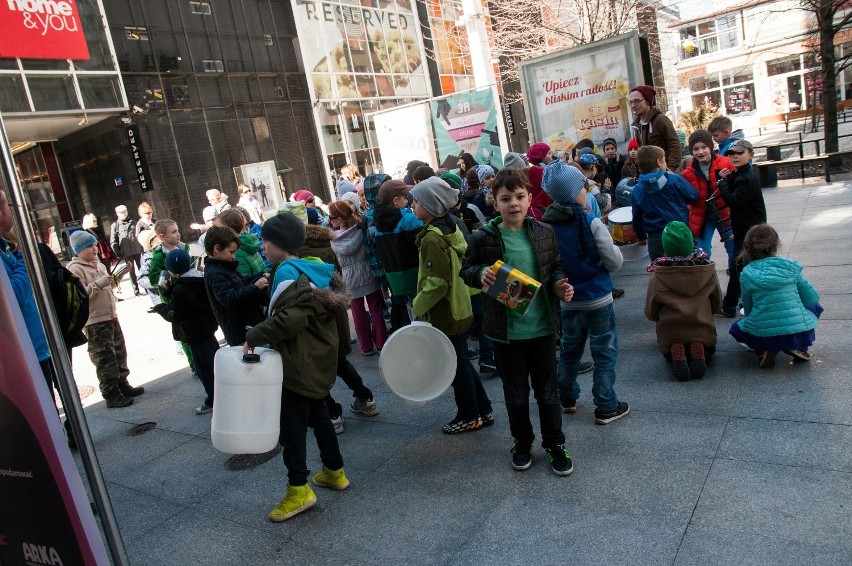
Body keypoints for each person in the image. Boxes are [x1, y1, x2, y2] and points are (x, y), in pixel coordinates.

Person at [461, 168, 575, 475]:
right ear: (494, 203)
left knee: (548, 393)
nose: (514, 203)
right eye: (506, 198)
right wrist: (479, 274)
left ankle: (554, 443)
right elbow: (467, 269)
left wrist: (560, 286)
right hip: (506, 333)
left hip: (542, 328)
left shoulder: (543, 232)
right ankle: (522, 442)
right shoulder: (483, 236)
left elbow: (555, 270)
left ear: (529, 199)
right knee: (516, 395)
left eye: (520, 197)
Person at [244, 212, 351, 522]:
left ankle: (298, 489)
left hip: (298, 363)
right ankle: (334, 471)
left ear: (280, 243)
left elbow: (292, 319)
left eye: (266, 240)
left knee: (292, 431)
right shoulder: (310, 267)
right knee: (319, 416)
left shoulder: (288, 272)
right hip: (315, 359)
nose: (263, 245)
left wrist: (254, 334)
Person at [541, 161, 629, 424]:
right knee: (604, 353)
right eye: (582, 186)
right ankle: (606, 405)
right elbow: (614, 260)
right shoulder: (590, 221)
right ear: (574, 191)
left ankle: (566, 397)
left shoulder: (546, 227)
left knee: (569, 351)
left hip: (568, 302)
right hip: (599, 299)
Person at [409, 176, 493, 434]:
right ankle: (483, 409)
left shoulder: (432, 239)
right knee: (461, 361)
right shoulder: (448, 228)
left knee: (455, 366)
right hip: (460, 306)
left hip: (446, 310)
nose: (412, 206)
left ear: (431, 206)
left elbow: (437, 282)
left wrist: (417, 305)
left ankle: (469, 415)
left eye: (417, 202)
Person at [297, 215, 379, 434]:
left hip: (317, 318)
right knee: (340, 361)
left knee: (317, 369)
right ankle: (365, 397)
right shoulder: (327, 246)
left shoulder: (299, 256)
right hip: (336, 312)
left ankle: (333, 414)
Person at [67, 230, 144, 408]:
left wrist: (121, 274)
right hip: (95, 321)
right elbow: (80, 295)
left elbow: (110, 285)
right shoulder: (75, 269)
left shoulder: (99, 265)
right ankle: (111, 393)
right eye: (89, 246)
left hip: (111, 316)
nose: (94, 249)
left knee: (119, 353)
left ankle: (123, 385)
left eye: (94, 245)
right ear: (79, 250)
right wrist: (99, 283)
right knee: (104, 359)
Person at [729, 224, 821, 368]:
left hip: (764, 332)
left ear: (747, 248)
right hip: (797, 330)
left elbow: (748, 307)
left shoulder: (747, 273)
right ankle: (798, 346)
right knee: (816, 307)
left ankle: (763, 349)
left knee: (736, 328)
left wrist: (746, 315)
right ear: (775, 245)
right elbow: (812, 298)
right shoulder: (790, 267)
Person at [645, 221, 722, 381]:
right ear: (690, 243)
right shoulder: (707, 269)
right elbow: (717, 303)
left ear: (665, 247)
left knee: (671, 348)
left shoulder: (658, 274)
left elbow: (651, 312)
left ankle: (676, 348)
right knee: (706, 346)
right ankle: (699, 347)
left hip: (670, 333)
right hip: (703, 330)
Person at [154, 249, 219, 414]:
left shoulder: (180, 289)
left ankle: (213, 399)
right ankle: (223, 393)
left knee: (204, 369)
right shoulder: (199, 278)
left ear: (171, 271)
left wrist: (160, 307)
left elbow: (175, 313)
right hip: (207, 328)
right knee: (216, 363)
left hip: (194, 333)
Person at [328, 200, 387, 356]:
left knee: (357, 312)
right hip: (367, 271)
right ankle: (381, 342)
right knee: (376, 308)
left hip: (349, 277)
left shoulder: (334, 240)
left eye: (331, 217)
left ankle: (366, 347)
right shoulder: (362, 229)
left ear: (339, 219)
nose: (330, 220)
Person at [717, 139, 767, 317]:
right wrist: (726, 178)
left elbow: (734, 200)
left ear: (750, 155)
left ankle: (733, 305)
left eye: (739, 153)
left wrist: (722, 183)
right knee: (742, 267)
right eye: (731, 154)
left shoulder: (747, 176)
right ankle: (733, 304)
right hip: (746, 228)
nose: (735, 157)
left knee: (740, 267)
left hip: (750, 230)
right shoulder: (743, 172)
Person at [631, 145, 699, 262]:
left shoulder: (637, 189)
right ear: (659, 162)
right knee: (689, 266)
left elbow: (636, 216)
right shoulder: (673, 180)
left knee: (661, 271)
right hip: (680, 232)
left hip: (655, 237)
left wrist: (640, 235)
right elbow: (693, 196)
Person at [204, 226, 268, 347]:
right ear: (217, 248)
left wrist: (260, 275)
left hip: (248, 328)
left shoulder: (225, 267)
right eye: (231, 252)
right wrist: (255, 287)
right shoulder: (215, 274)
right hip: (241, 334)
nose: (234, 256)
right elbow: (230, 299)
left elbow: (241, 282)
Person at [373, 179, 422, 333]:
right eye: (405, 197)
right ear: (396, 200)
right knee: (422, 310)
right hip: (414, 273)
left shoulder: (378, 224)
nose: (408, 201)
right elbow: (420, 245)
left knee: (410, 310)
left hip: (396, 278)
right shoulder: (408, 219)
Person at [680, 129, 735, 262]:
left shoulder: (726, 163)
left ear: (710, 147)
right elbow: (686, 197)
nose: (700, 152)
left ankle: (734, 273)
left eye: (704, 147)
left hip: (725, 213)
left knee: (733, 248)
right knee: (702, 252)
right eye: (696, 149)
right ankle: (706, 277)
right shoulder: (687, 174)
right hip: (703, 217)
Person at [629, 85, 682, 171]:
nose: (633, 105)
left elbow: (675, 145)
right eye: (630, 102)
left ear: (648, 101)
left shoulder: (661, 120)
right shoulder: (636, 125)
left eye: (637, 101)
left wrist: (669, 169)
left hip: (663, 173)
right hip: (649, 175)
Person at [215, 208, 266, 278]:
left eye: (218, 228)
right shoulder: (248, 241)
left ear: (228, 228)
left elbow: (243, 278)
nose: (216, 232)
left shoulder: (234, 250)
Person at [110, 204, 144, 296]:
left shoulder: (134, 222)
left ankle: (146, 287)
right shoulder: (115, 225)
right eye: (121, 212)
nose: (123, 214)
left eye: (125, 211)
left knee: (142, 268)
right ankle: (136, 290)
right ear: (117, 214)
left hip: (137, 249)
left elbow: (140, 235)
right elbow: (113, 241)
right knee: (131, 271)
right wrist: (117, 252)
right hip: (126, 252)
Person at [526, 143, 553, 221]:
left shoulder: (532, 171)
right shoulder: (545, 171)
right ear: (541, 156)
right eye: (549, 153)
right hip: (544, 207)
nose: (551, 155)